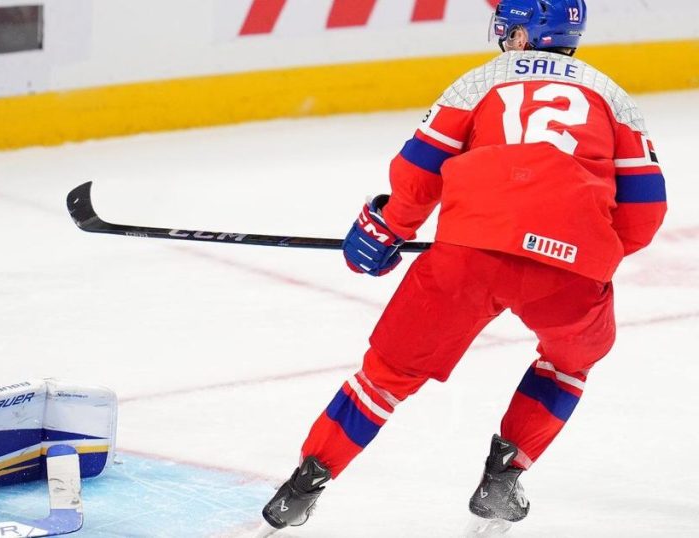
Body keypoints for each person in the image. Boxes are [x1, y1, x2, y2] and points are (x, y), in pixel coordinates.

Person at [261, 0, 666, 533]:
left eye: (510, 28)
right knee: (569, 361)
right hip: (570, 269)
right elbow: (645, 212)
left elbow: (419, 171)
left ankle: (305, 483)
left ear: (523, 35)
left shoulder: (479, 82)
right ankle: (505, 476)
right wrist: (585, 250)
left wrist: (387, 228)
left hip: (469, 256)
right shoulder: (614, 98)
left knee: (387, 376)